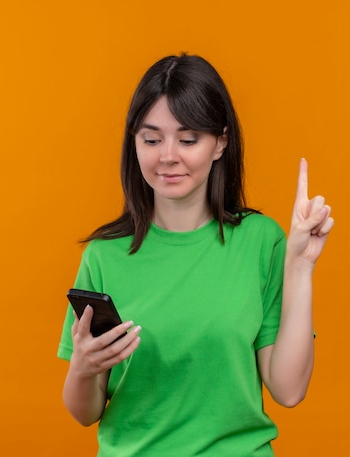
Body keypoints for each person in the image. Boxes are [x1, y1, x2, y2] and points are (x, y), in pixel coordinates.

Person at [57, 53, 334, 457]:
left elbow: (289, 390)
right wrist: (84, 366)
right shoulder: (104, 257)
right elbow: (85, 413)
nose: (167, 156)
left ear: (220, 142)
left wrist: (301, 266)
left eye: (188, 140)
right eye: (151, 139)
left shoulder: (263, 241)